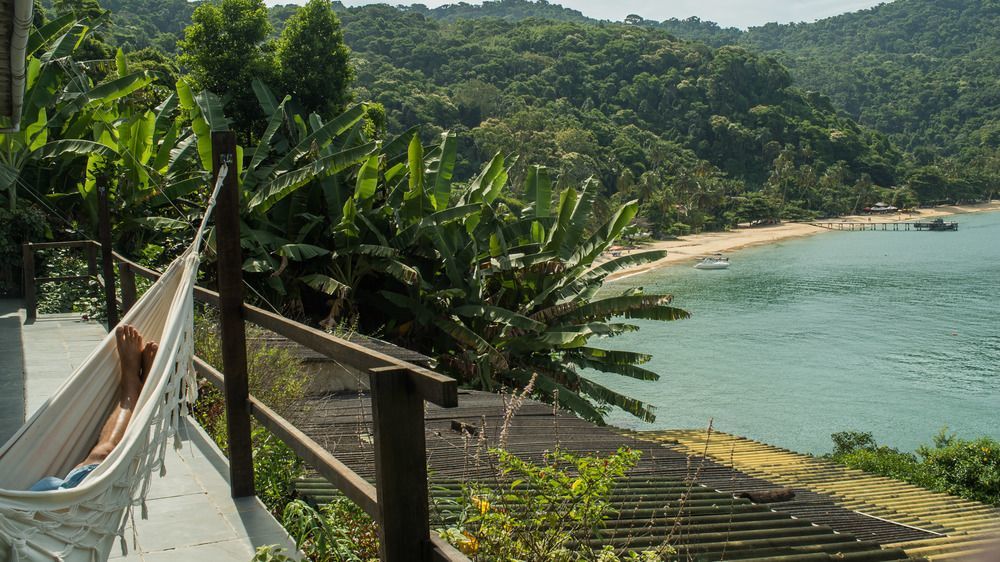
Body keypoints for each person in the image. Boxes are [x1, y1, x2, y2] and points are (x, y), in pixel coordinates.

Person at [29, 325, 157, 492]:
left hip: (38, 501)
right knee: (103, 458)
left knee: (89, 468)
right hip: (50, 508)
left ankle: (133, 390)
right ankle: (131, 385)